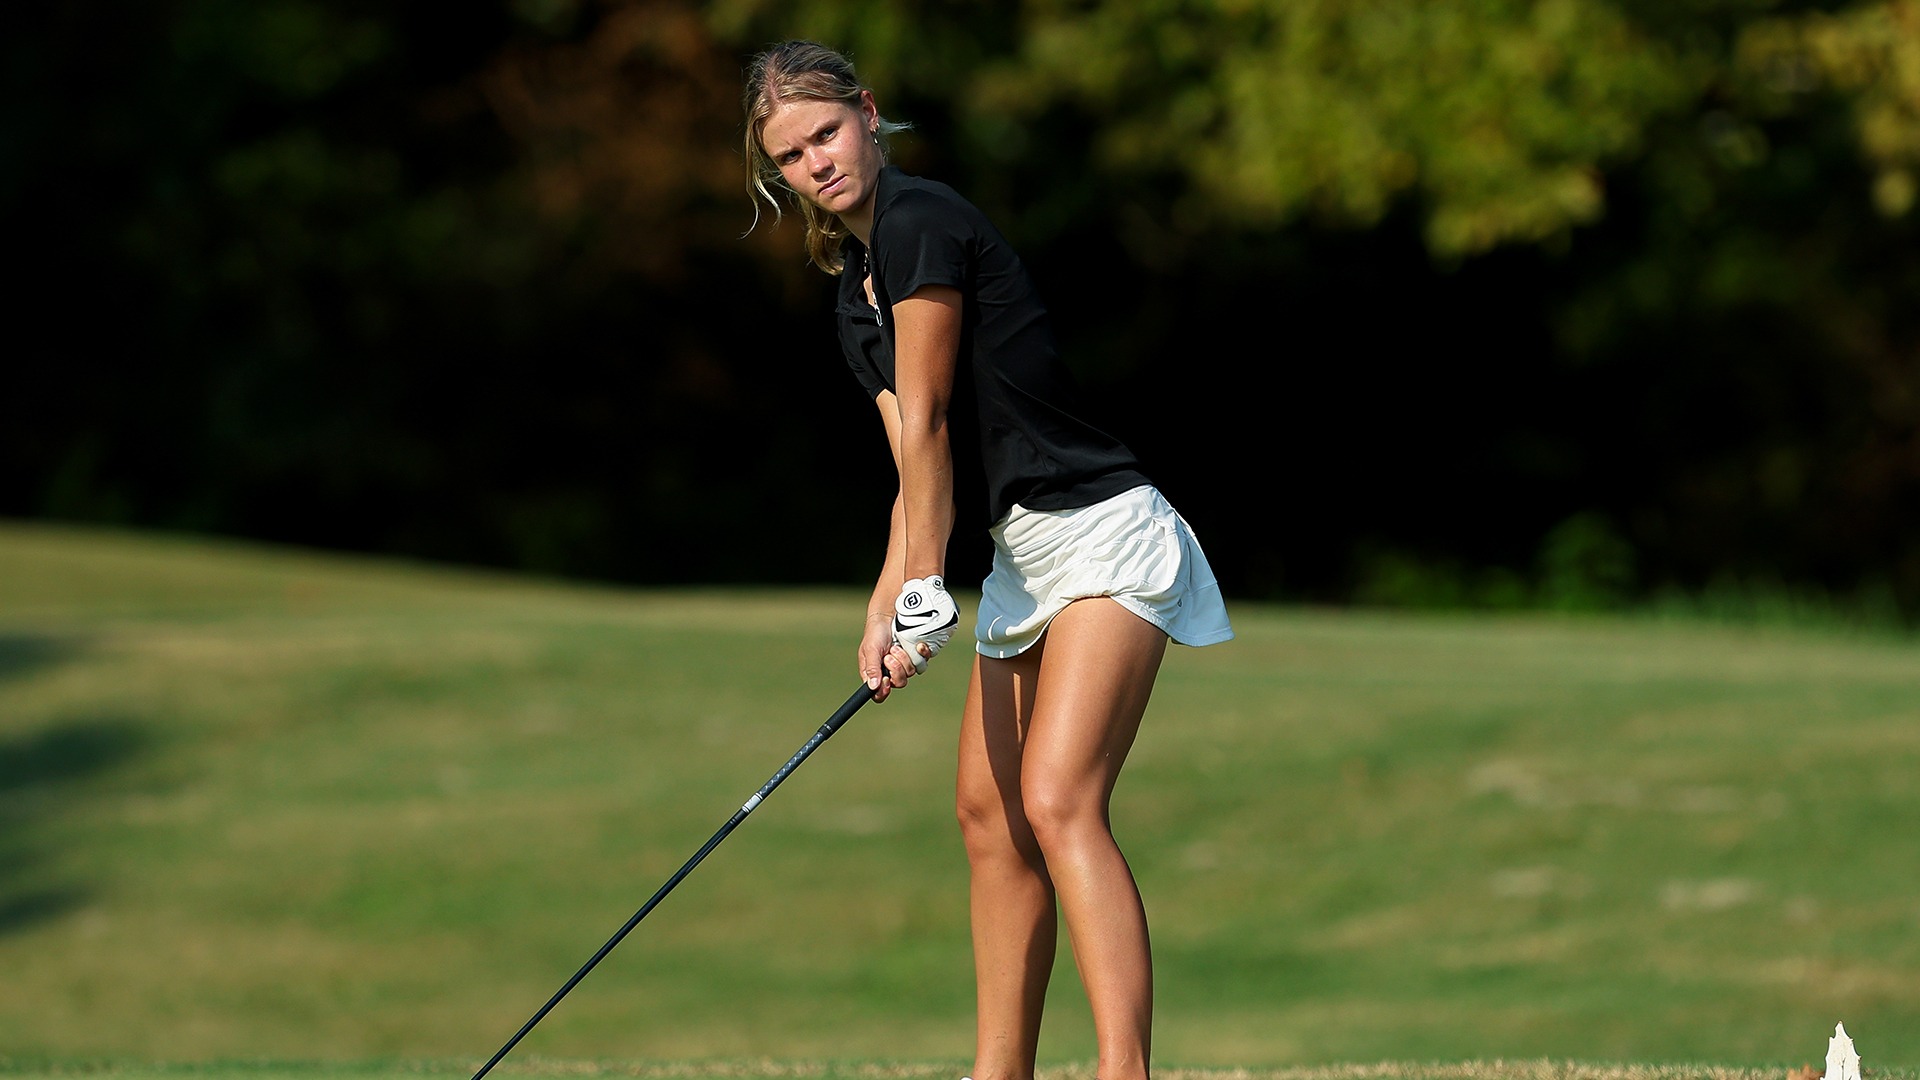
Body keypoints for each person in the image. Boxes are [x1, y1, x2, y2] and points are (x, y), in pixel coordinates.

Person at [741, 40, 1233, 1080]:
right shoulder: (852, 297)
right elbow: (910, 472)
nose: (816, 163)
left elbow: (926, 419)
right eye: (790, 155)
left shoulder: (923, 224)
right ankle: (997, 1072)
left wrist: (927, 588)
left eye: (826, 132)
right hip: (1022, 553)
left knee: (1058, 799)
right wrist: (886, 609)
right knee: (988, 816)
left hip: (1101, 526)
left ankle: (1121, 1073)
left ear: (868, 115)